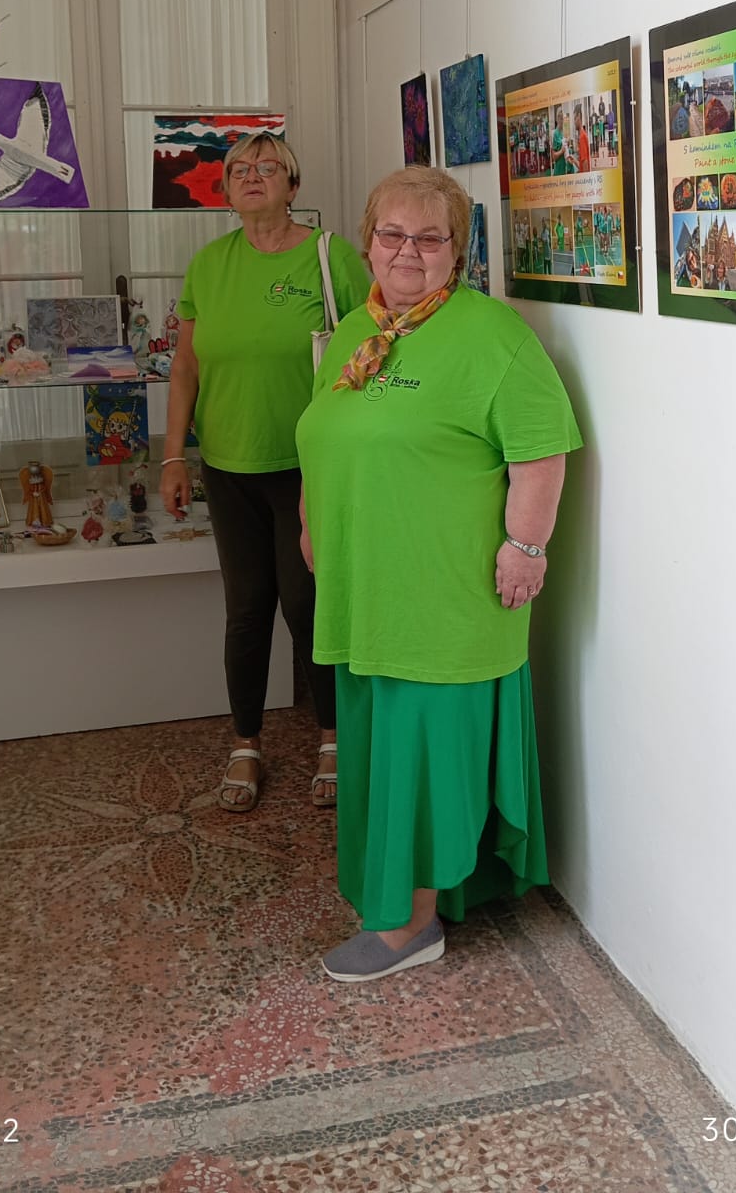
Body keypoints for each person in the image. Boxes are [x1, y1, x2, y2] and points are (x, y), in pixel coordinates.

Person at [295, 166, 582, 981]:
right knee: (383, 748)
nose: (408, 251)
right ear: (367, 242)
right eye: (392, 234)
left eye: (430, 237)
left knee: (421, 755)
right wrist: (314, 522)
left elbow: (541, 455)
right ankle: (424, 892)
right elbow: (323, 435)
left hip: (445, 593)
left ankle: (409, 926)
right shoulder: (358, 329)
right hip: (367, 588)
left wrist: (526, 548)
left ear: (458, 250)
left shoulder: (494, 336)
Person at [160, 133, 371, 812]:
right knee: (247, 611)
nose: (253, 176)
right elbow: (186, 366)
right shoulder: (208, 265)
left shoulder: (331, 256)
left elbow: (372, 348)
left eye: (268, 166)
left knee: (308, 606)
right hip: (228, 466)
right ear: (225, 190)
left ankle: (333, 738)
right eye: (239, 170)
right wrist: (173, 455)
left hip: (309, 468)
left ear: (293, 185)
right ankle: (245, 744)